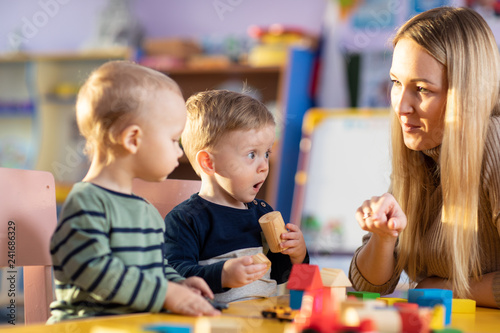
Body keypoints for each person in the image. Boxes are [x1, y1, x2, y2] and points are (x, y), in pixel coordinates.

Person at [349, 6, 500, 308]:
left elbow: (427, 290)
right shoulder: (423, 151)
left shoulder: (494, 148)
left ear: (466, 94)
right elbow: (371, 285)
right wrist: (383, 236)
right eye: (396, 83)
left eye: (421, 89)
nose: (401, 106)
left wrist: (444, 289)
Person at [48, 61, 220, 323]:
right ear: (133, 139)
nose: (179, 151)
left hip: (132, 324)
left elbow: (154, 268)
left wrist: (179, 284)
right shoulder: (87, 201)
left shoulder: (144, 209)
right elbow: (93, 270)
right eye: (174, 139)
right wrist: (165, 294)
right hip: (85, 326)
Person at [164, 90, 309, 303]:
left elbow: (278, 276)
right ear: (208, 163)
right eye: (252, 154)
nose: (264, 167)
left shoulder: (262, 212)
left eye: (266, 153)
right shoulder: (185, 219)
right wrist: (222, 275)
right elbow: (174, 276)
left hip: (263, 317)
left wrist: (298, 256)